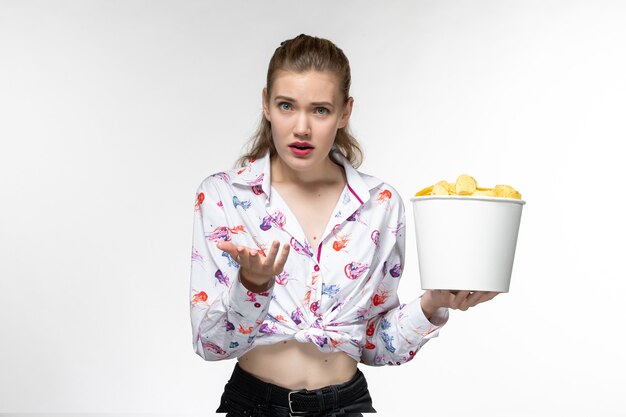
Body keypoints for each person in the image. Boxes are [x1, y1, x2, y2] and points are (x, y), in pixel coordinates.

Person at [189, 34, 498, 417]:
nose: (301, 127)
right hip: (254, 405)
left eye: (320, 110)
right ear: (266, 103)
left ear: (344, 112)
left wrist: (433, 303)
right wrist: (252, 285)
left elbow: (375, 346)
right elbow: (210, 344)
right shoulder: (223, 196)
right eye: (287, 105)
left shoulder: (380, 205)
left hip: (346, 405)